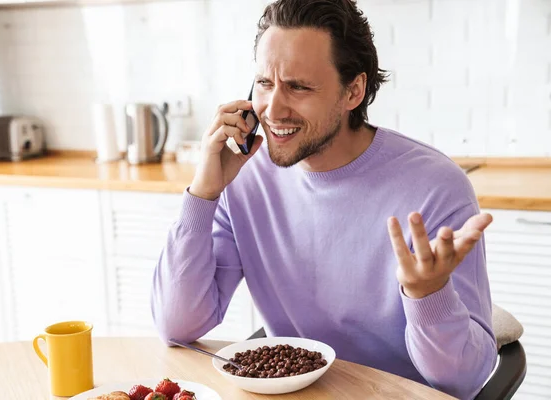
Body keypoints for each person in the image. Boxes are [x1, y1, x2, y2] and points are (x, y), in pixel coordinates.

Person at [151, 0, 497, 398]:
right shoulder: (243, 175)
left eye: (298, 87)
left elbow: (463, 381)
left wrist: (428, 295)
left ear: (354, 91)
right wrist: (203, 194)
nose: (273, 109)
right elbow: (177, 326)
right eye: (265, 83)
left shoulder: (435, 187)